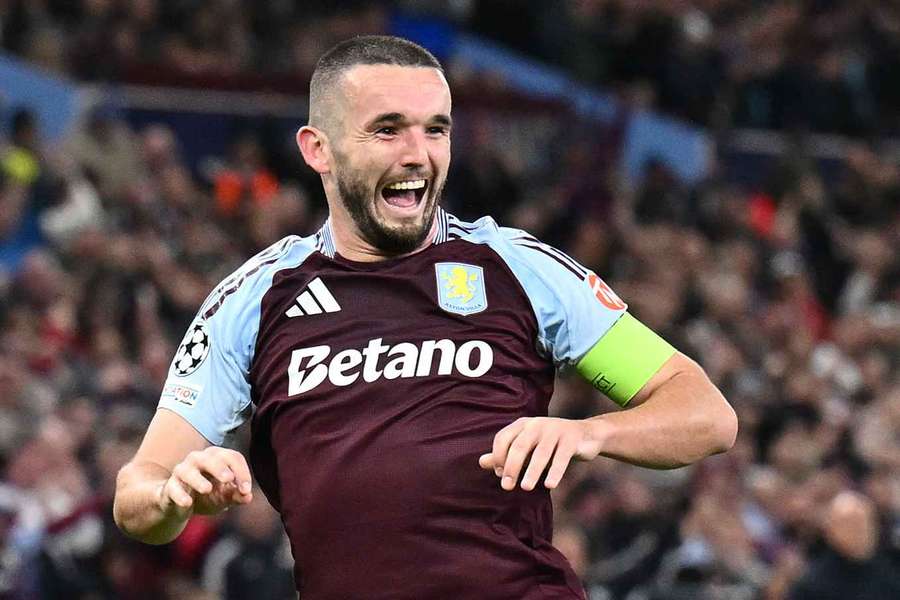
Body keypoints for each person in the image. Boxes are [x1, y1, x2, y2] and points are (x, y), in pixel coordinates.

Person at [113, 35, 738, 600]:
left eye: (435, 130)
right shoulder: (253, 299)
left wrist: (587, 434)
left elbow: (705, 415)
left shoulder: (519, 268)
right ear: (318, 150)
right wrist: (173, 494)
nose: (419, 154)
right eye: (388, 130)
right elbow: (136, 495)